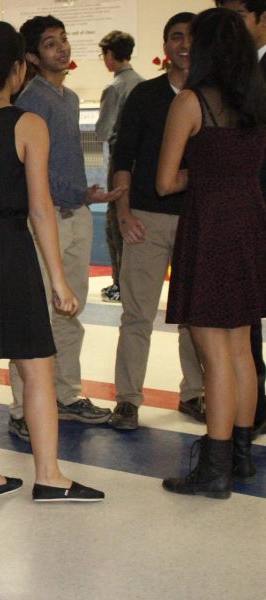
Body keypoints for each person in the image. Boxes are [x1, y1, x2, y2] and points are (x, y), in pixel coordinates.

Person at [0, 21, 103, 503]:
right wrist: (59, 280)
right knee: (36, 366)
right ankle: (49, 476)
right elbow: (40, 209)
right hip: (11, 253)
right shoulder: (28, 124)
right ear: (18, 67)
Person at [156, 7, 266, 498]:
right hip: (249, 223)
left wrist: (201, 175)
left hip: (210, 228)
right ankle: (241, 456)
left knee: (213, 354)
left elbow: (165, 181)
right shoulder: (257, 99)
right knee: (241, 347)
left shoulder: (191, 102)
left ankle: (215, 467)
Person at [6, 15, 125, 441]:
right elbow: (28, 168)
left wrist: (84, 193)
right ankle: (22, 408)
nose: (62, 49)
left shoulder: (70, 97)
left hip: (74, 213)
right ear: (33, 57)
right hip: (45, 218)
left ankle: (66, 394)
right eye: (51, 44)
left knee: (70, 313)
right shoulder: (30, 100)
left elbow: (62, 160)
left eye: (64, 40)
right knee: (37, 314)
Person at [109, 12, 206, 430]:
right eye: (176, 37)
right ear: (165, 45)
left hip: (196, 220)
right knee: (137, 315)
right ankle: (128, 400)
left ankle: (195, 394)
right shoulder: (145, 96)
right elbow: (123, 157)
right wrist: (123, 212)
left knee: (195, 318)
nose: (184, 44)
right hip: (145, 219)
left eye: (192, 38)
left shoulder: (212, 96)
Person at [215, 0, 266, 436]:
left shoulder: (233, 88)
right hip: (244, 212)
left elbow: (166, 175)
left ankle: (230, 443)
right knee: (242, 336)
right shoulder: (234, 86)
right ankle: (245, 430)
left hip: (243, 209)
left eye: (240, 16)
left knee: (227, 342)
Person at [95, 30, 144, 303]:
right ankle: (133, 282)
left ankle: (120, 284)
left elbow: (103, 130)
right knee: (136, 218)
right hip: (143, 160)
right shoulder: (144, 83)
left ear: (110, 56)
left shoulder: (115, 87)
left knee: (116, 222)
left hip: (120, 158)